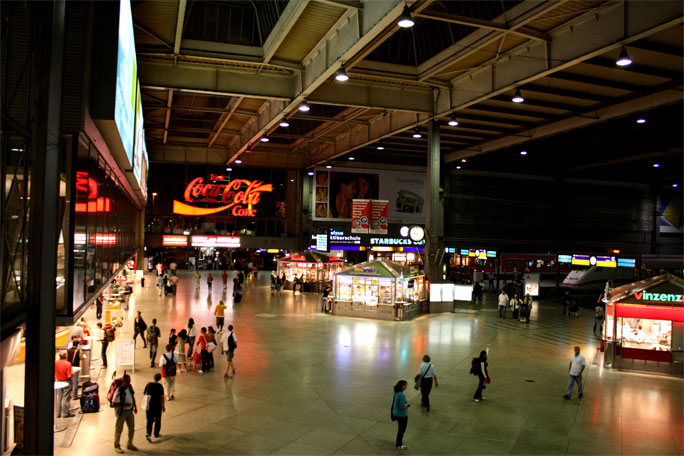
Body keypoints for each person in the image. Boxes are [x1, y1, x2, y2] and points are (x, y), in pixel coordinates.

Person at [112, 374, 138, 453]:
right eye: (126, 382)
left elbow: (132, 396)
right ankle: (117, 445)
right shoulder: (119, 390)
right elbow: (113, 404)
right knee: (119, 429)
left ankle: (129, 443)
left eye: (129, 381)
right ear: (123, 382)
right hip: (122, 413)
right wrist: (125, 405)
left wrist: (135, 406)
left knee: (132, 428)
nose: (128, 383)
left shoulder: (130, 387)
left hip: (129, 411)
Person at [143, 373, 166, 442]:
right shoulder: (160, 386)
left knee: (150, 419)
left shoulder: (148, 384)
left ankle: (148, 434)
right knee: (158, 419)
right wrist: (163, 405)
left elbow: (144, 393)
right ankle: (156, 433)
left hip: (149, 404)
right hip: (157, 404)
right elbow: (162, 396)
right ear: (160, 378)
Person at [55, 351, 74, 418]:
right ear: (66, 356)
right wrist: (73, 372)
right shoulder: (68, 364)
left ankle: (58, 413)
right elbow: (69, 375)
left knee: (59, 397)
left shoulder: (56, 362)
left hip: (58, 381)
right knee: (66, 397)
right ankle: (66, 413)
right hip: (66, 381)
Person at [392, 380, 410, 450]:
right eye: (405, 385)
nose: (406, 387)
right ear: (402, 386)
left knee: (400, 428)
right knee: (402, 429)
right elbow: (402, 406)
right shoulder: (401, 395)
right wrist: (407, 404)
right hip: (402, 415)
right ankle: (399, 444)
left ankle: (399, 440)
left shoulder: (396, 393)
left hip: (396, 413)